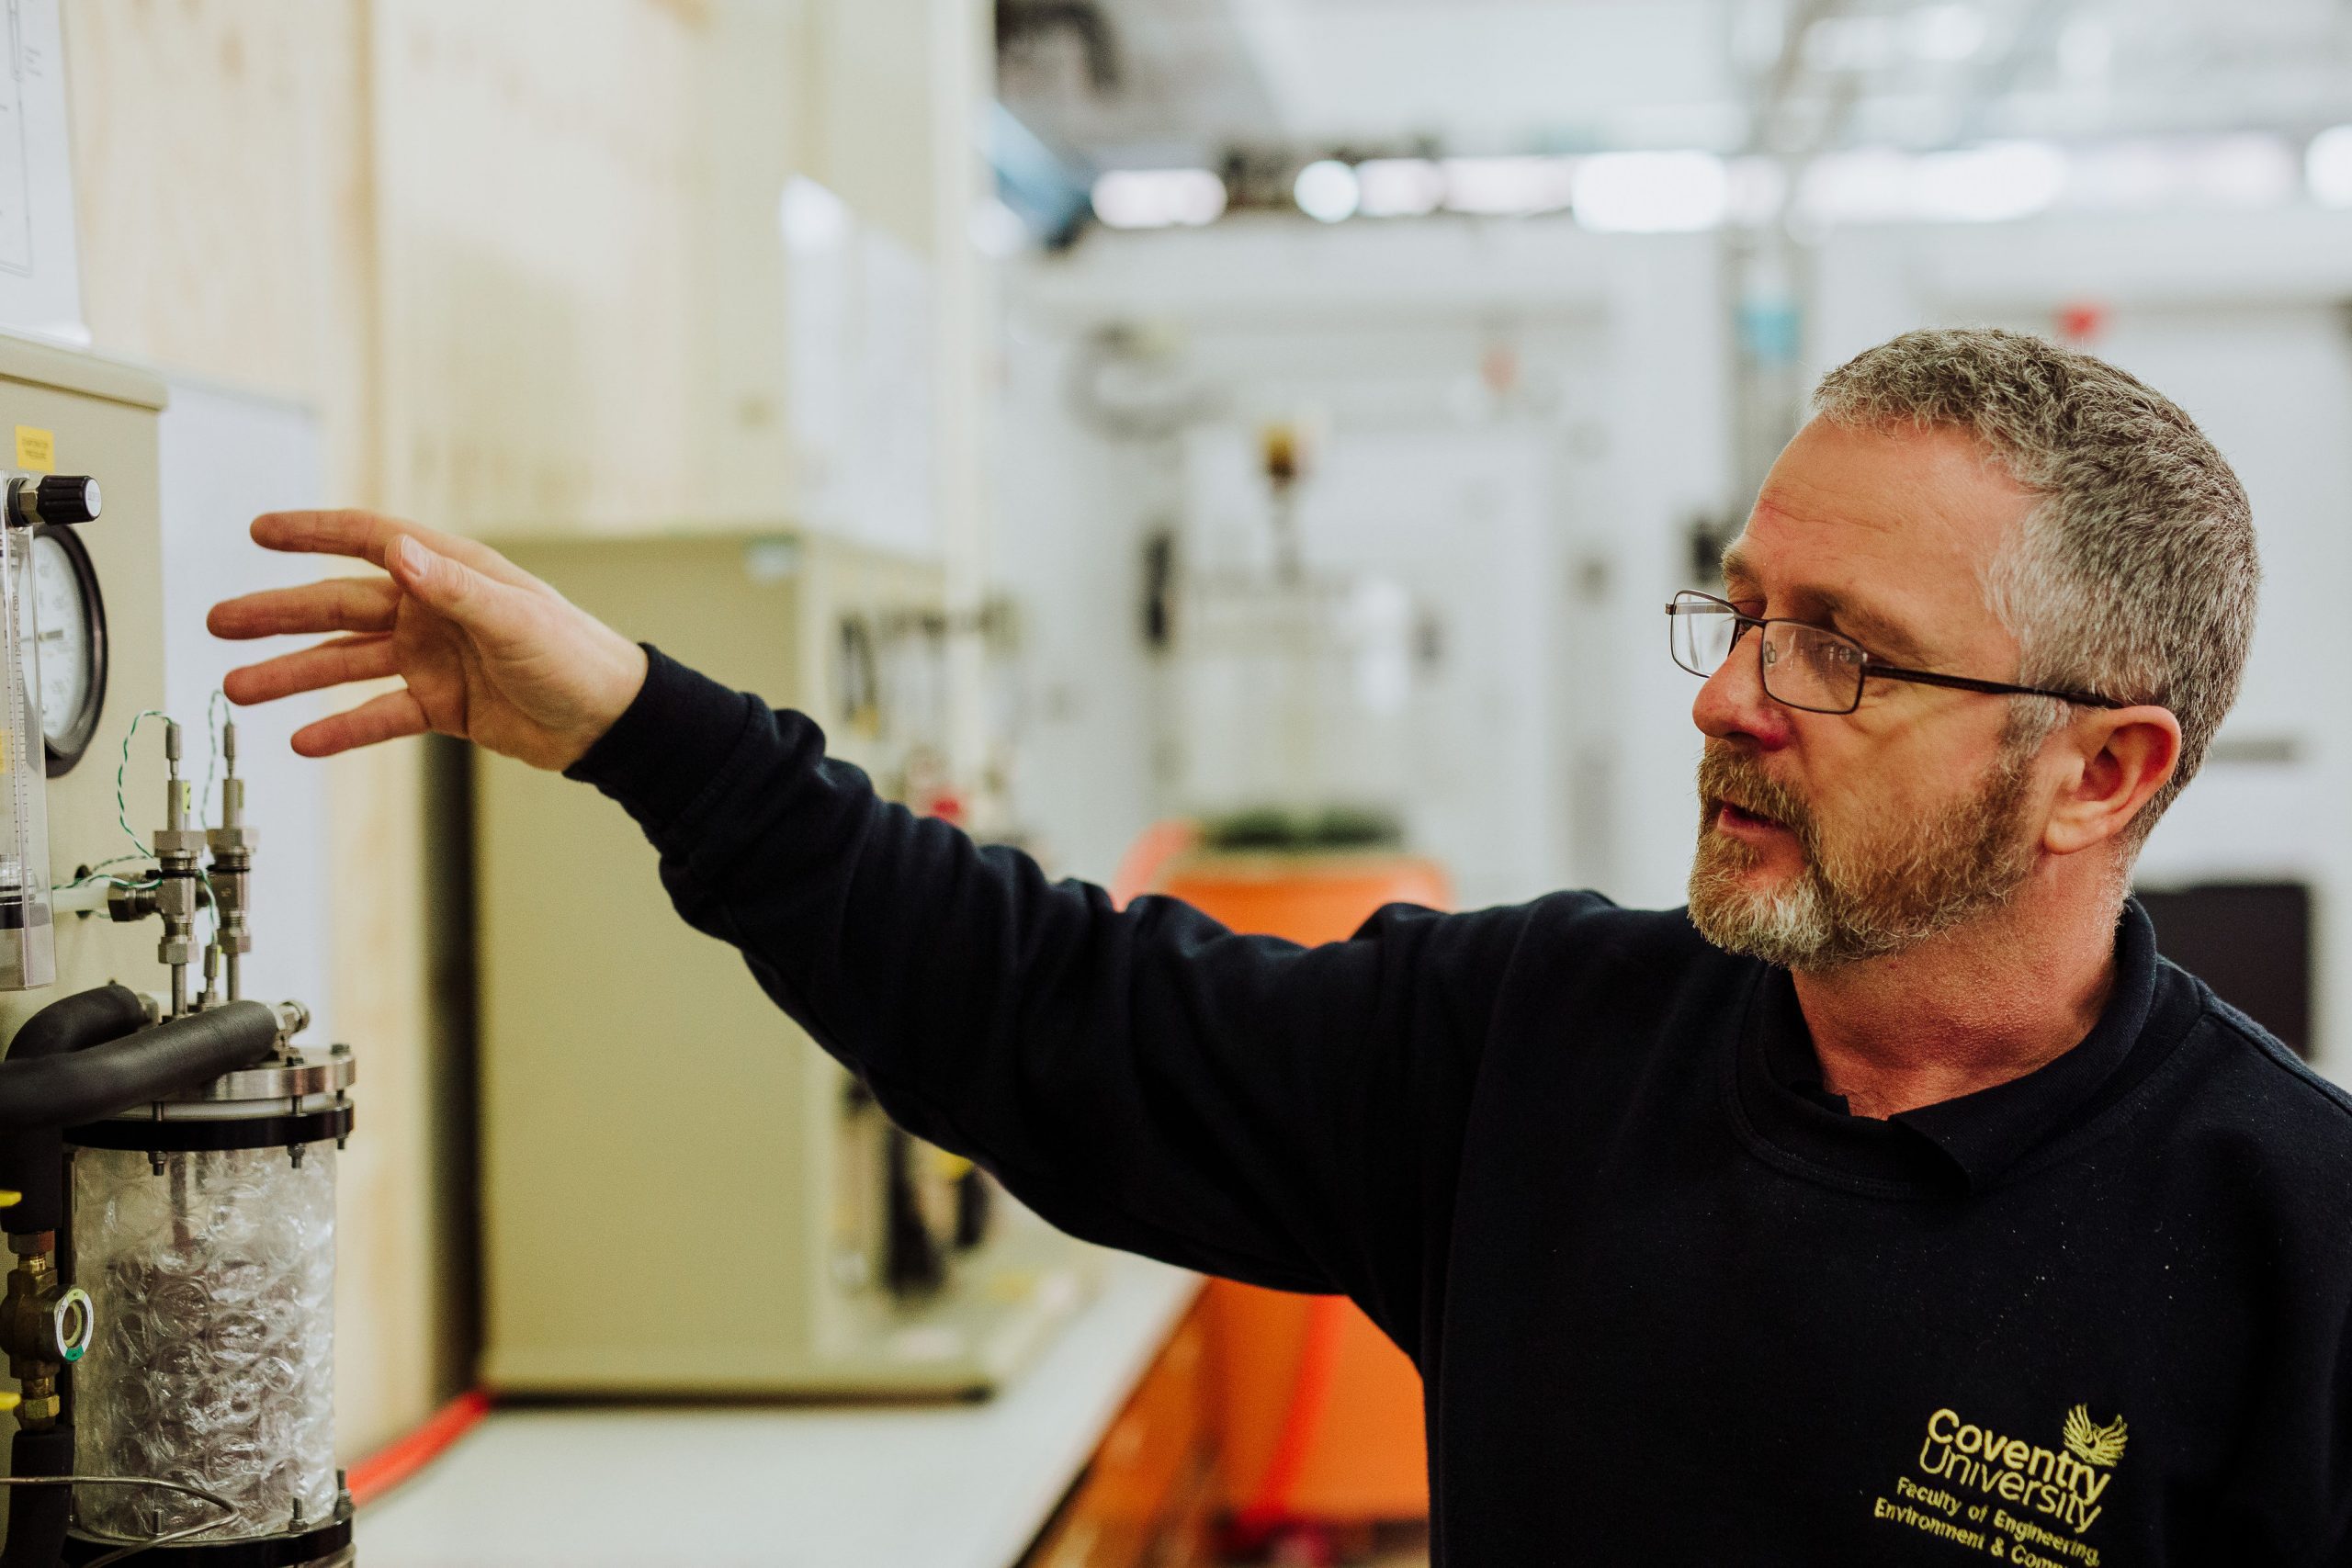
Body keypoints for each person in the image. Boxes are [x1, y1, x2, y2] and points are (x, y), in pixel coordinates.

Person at [209, 328, 2351, 1563]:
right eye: (1738, 608)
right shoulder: (1532, 1042)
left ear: (2097, 771)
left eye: (1844, 653)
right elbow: (1042, 1009)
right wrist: (637, 726)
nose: (1724, 694)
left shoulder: (2296, 1247)